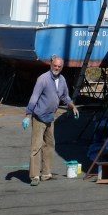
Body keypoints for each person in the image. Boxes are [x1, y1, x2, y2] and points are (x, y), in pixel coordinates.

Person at [23, 55, 79, 186]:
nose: (57, 68)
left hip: (50, 118)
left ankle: (46, 173)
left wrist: (73, 107)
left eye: (59, 66)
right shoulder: (43, 79)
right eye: (55, 65)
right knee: (36, 147)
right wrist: (27, 115)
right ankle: (35, 176)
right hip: (39, 117)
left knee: (49, 145)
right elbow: (34, 97)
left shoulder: (62, 80)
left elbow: (65, 97)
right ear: (51, 65)